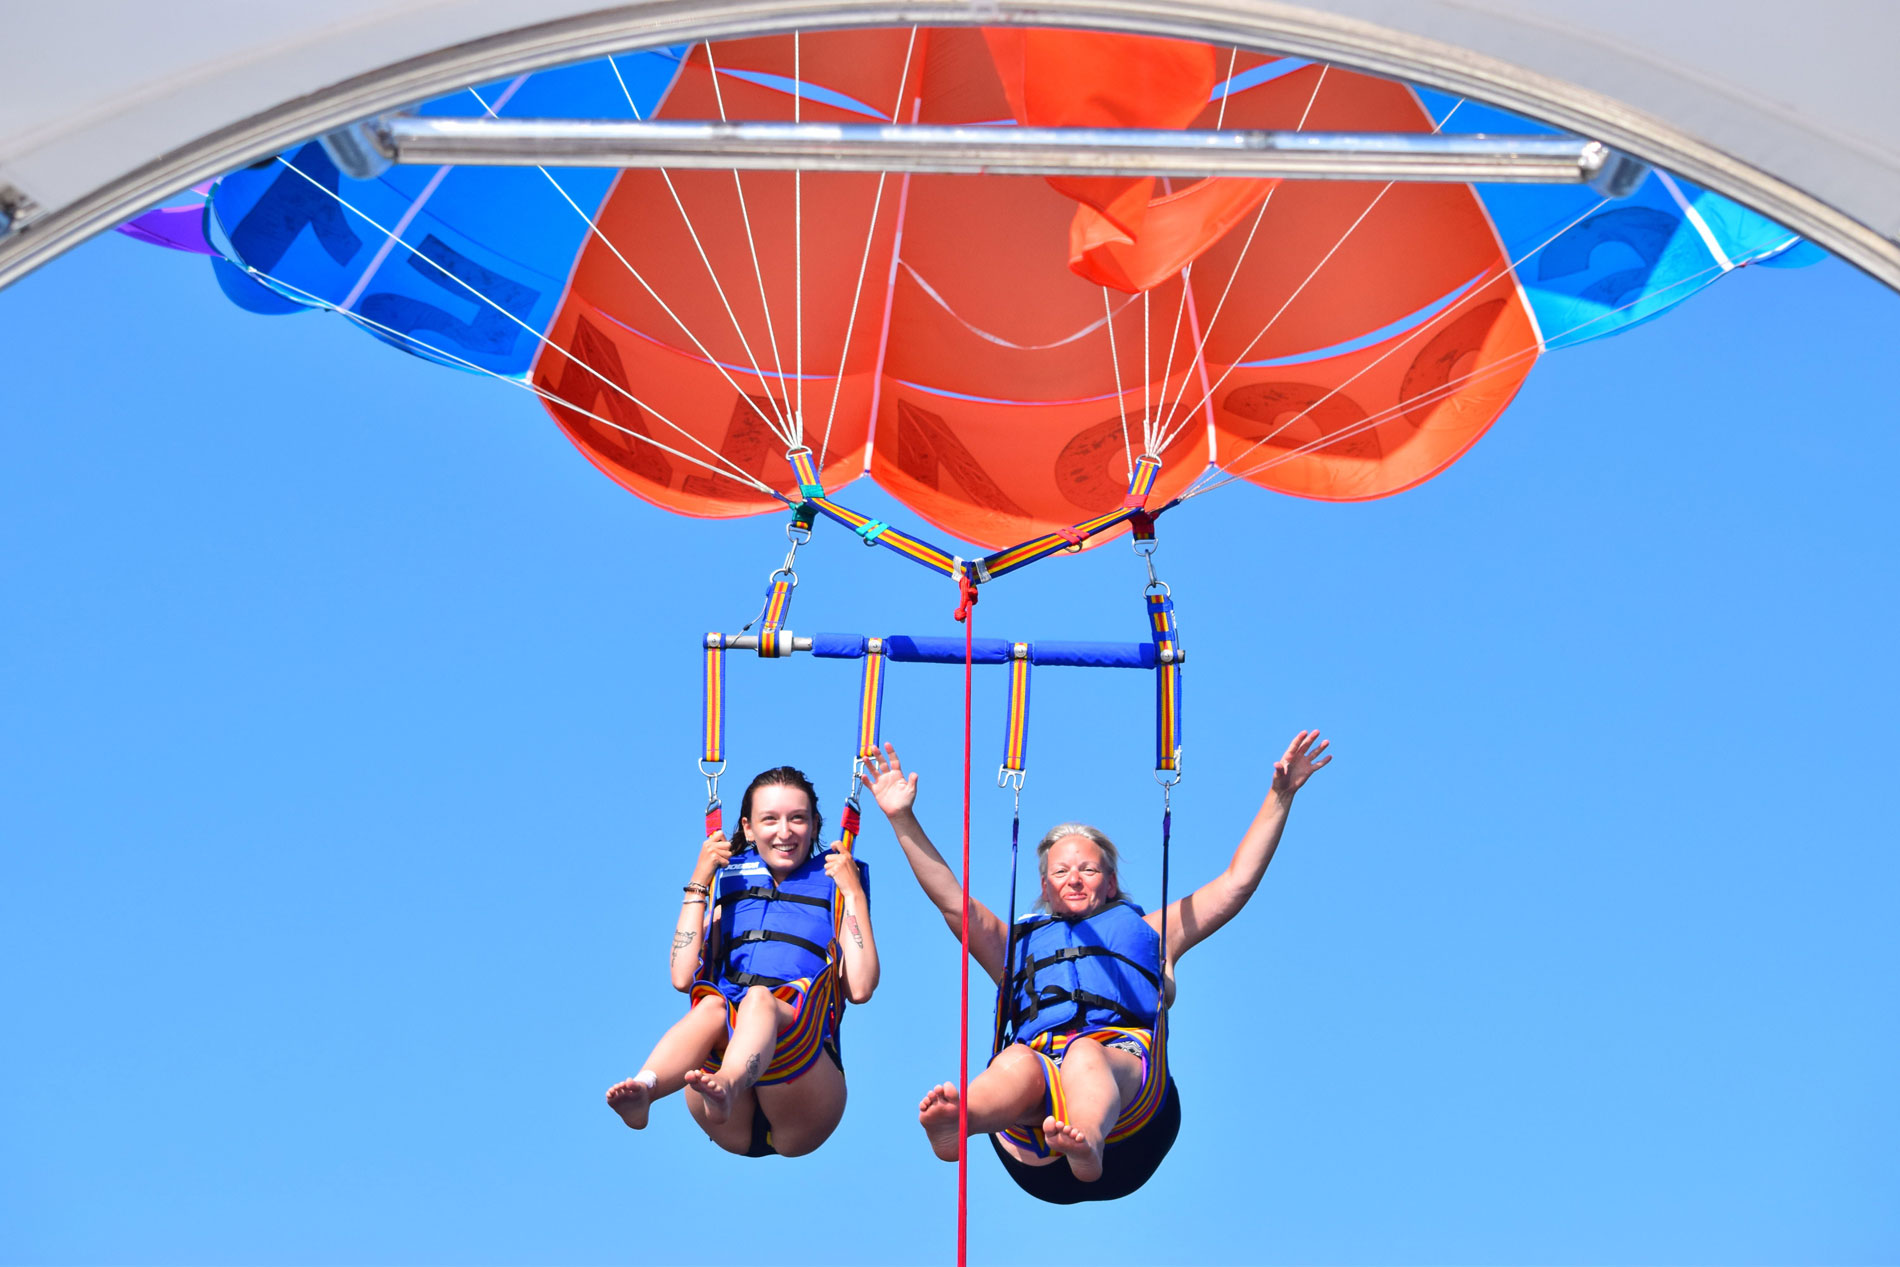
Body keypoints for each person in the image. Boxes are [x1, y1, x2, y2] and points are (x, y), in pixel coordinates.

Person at [861, 730, 1330, 1202]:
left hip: (1130, 1125)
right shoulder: (1016, 944)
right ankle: (962, 1120)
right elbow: (953, 903)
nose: (1074, 879)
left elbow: (1235, 885)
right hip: (1033, 1139)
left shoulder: (1153, 931)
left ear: (1110, 883)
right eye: (1060, 872)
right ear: (1045, 888)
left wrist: (1280, 795)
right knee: (1016, 1061)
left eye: (1088, 869)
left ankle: (1084, 1137)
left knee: (1086, 1052)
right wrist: (902, 818)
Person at [605, 766, 878, 1157]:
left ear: (815, 824)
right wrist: (701, 877)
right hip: (724, 1101)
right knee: (713, 1005)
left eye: (797, 818)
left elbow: (862, 988)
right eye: (770, 819)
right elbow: (683, 976)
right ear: (748, 828)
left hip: (803, 1087)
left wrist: (853, 894)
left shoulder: (837, 881)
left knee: (759, 1000)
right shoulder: (730, 879)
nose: (784, 832)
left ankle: (728, 1086)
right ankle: (646, 1089)